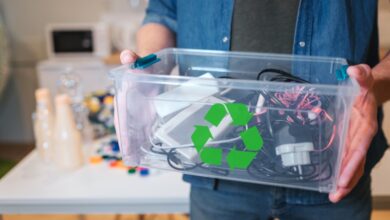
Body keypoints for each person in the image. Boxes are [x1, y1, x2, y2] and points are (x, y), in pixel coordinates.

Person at [120, 1, 390, 219]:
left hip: (331, 169)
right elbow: (163, 13)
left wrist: (369, 89)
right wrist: (147, 72)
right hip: (215, 169)